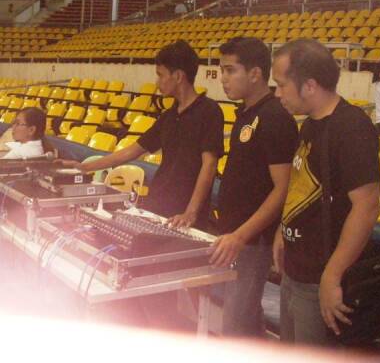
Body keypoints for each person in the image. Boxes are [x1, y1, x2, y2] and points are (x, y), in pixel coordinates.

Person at [272, 39, 380, 345]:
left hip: (319, 278)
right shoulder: (310, 124)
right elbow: (303, 186)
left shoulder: (351, 128)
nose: (277, 94)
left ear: (309, 85)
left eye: (281, 85)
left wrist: (332, 275)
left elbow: (367, 207)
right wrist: (283, 228)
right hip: (296, 270)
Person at [62, 40, 224, 230]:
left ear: (178, 76)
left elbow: (209, 165)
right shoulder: (168, 116)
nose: (157, 82)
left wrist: (191, 212)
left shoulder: (209, 111)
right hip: (157, 206)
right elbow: (131, 151)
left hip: (184, 216)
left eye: (160, 75)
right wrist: (84, 167)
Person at [211, 37, 298, 336]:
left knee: (235, 323)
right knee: (244, 319)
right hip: (235, 235)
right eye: (222, 71)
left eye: (230, 70)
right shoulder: (247, 113)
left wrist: (241, 235)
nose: (223, 78)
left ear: (255, 73)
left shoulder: (274, 118)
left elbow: (282, 188)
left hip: (252, 240)